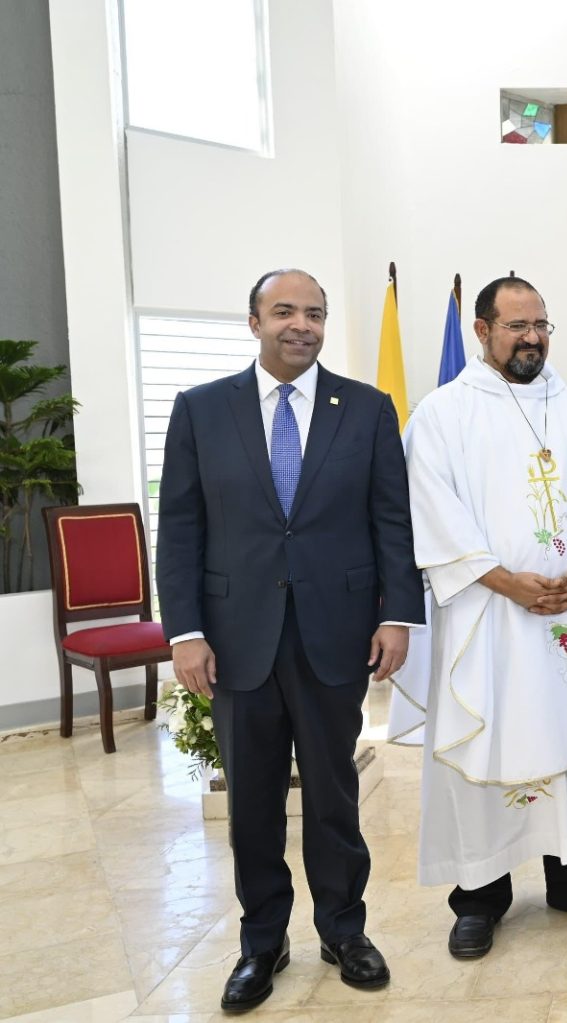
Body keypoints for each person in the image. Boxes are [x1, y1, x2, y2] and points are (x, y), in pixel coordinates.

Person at [156, 269, 422, 1010]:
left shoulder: (367, 410)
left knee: (334, 796)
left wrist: (397, 614)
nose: (300, 324)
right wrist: (185, 632)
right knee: (254, 803)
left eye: (314, 313)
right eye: (284, 312)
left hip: (336, 636)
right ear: (253, 322)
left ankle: (344, 929)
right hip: (236, 640)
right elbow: (179, 529)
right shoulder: (201, 410)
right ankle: (261, 942)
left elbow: (391, 521)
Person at [395, 275, 567, 961]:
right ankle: (480, 897)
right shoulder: (442, 414)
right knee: (489, 741)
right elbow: (432, 512)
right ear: (482, 331)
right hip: (487, 616)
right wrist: (505, 582)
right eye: (516, 326)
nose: (531, 338)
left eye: (541, 326)